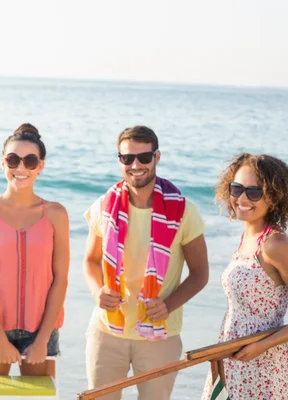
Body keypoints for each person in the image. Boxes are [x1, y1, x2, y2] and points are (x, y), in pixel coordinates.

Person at [82, 125, 209, 400]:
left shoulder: (184, 211)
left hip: (159, 335)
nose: (135, 165)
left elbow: (200, 274)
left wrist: (168, 305)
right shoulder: (104, 205)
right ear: (120, 160)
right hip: (107, 330)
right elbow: (90, 261)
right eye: (127, 158)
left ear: (157, 157)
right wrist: (97, 291)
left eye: (144, 157)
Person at [0, 123, 70, 386]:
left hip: (40, 332)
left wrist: (43, 340)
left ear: (40, 166)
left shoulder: (56, 214)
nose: (21, 168)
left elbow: (60, 279)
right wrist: (0, 340)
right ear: (3, 163)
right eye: (13, 160)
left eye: (30, 160)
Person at [201, 153, 288, 400]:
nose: (242, 198)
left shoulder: (275, 245)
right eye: (237, 189)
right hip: (231, 359)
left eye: (254, 192)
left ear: (274, 198)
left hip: (264, 367)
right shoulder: (247, 239)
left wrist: (261, 346)